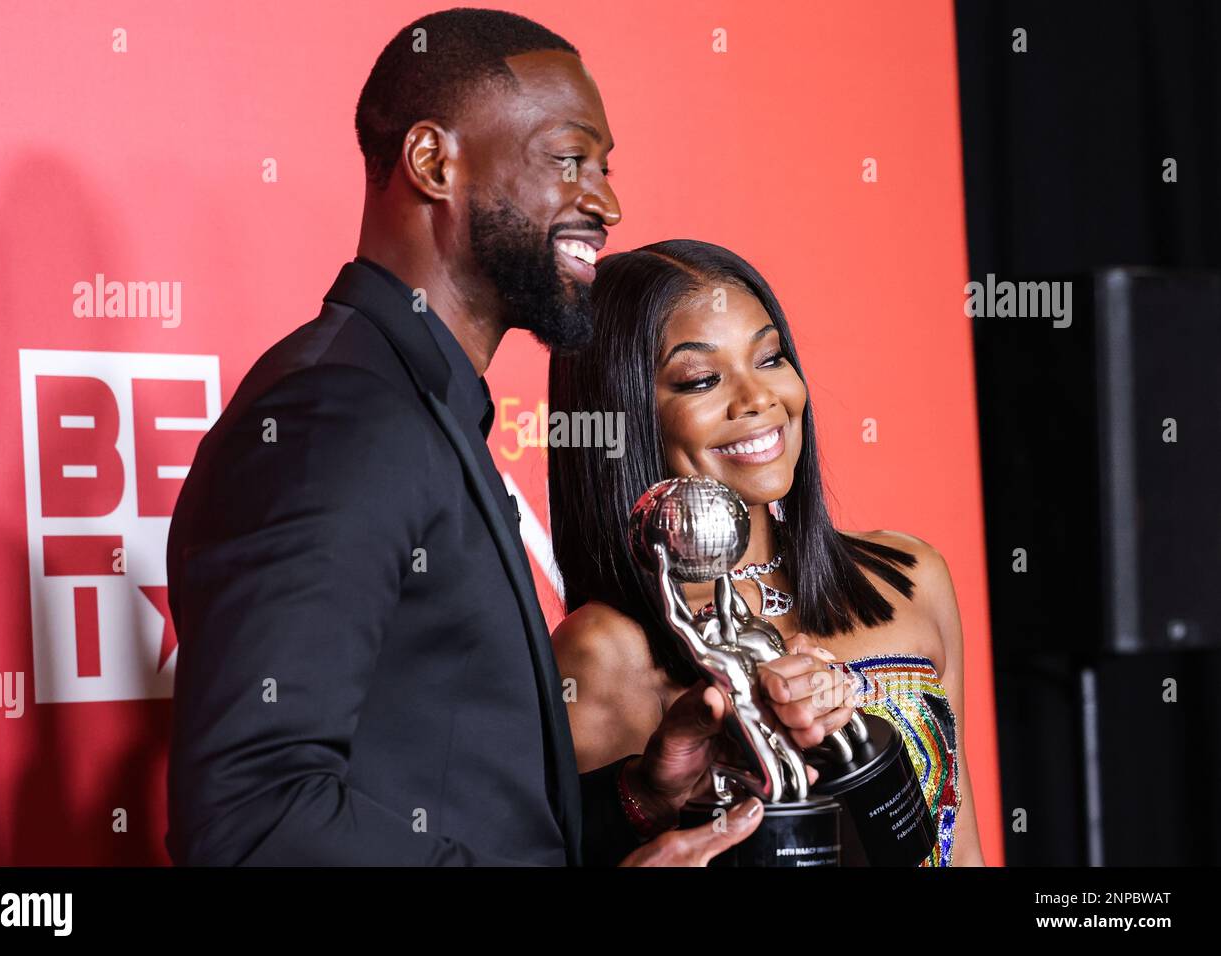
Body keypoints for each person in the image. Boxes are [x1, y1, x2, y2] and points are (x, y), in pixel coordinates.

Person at [164, 9, 849, 867]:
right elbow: (249, 820)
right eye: (569, 160)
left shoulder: (422, 408)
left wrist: (642, 795)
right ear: (433, 161)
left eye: (604, 168)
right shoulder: (333, 416)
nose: (606, 202)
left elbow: (459, 805)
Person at [547, 239, 987, 865]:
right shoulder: (601, 652)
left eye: (771, 358)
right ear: (624, 415)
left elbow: (962, 847)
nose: (758, 400)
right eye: (701, 379)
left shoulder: (911, 577)